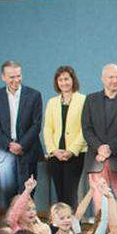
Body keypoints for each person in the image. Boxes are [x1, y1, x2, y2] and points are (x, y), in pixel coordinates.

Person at [82, 63, 117, 217]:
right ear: (102, 78)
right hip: (96, 160)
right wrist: (100, 147)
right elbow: (86, 129)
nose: (114, 80)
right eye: (111, 77)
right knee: (100, 207)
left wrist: (109, 149)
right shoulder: (90, 99)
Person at [0, 61, 44, 201]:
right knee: (9, 193)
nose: (16, 80)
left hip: (28, 150)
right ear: (3, 77)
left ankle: (26, 223)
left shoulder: (34, 95)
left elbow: (36, 124)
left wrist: (21, 145)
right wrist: (9, 145)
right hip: (5, 152)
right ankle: (11, 223)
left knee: (28, 192)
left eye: (18, 76)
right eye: (11, 77)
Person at [42, 65, 87, 208]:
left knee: (70, 193)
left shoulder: (84, 100)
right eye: (60, 80)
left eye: (66, 79)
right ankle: (60, 225)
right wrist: (53, 150)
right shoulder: (52, 102)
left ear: (73, 80)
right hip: (56, 155)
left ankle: (71, 226)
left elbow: (85, 128)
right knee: (60, 193)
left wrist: (72, 150)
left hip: (75, 155)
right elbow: (47, 128)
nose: (64, 82)